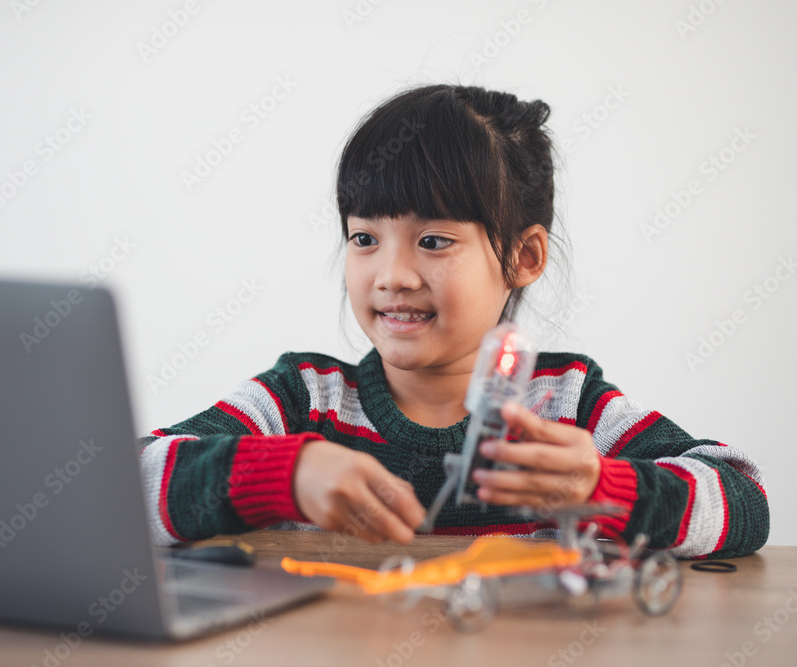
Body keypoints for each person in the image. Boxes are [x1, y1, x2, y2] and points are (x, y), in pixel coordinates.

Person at [137, 85, 769, 559]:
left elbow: (743, 498)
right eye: (364, 238)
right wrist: (284, 475)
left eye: (434, 241)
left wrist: (605, 486)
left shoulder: (565, 407)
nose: (391, 275)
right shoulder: (304, 398)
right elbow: (118, 485)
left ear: (523, 258)